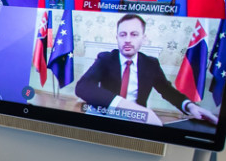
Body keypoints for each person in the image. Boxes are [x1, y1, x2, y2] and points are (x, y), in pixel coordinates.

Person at [75, 14, 219, 126]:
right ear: (117, 38)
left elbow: (167, 90)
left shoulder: (151, 64)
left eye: (134, 34)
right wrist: (130, 108)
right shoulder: (106, 59)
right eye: (123, 35)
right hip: (105, 116)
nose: (127, 40)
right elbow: (83, 87)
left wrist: (190, 106)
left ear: (143, 39)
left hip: (136, 122)